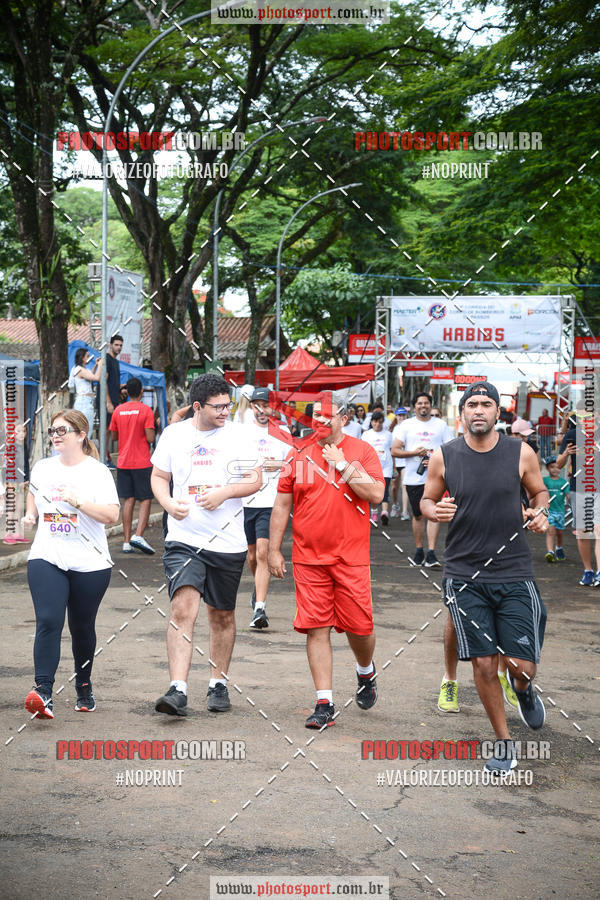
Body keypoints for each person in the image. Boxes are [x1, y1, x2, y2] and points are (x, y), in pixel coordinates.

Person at [421, 381, 550, 774]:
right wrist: (433, 511)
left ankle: (524, 690)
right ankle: (503, 741)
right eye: (472, 404)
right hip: (464, 574)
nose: (479, 410)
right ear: (462, 413)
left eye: (487, 404)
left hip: (514, 572)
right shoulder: (444, 456)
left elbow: (540, 493)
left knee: (520, 667)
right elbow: (427, 498)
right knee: (482, 663)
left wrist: (539, 512)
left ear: (498, 413)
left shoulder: (520, 452)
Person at [268, 392, 385, 729]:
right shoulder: (298, 454)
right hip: (308, 558)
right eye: (314, 416)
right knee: (316, 628)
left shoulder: (362, 451)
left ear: (343, 419)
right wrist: (273, 550)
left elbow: (376, 495)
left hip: (351, 557)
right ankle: (324, 703)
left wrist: (343, 465)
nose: (319, 422)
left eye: (326, 417)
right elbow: (281, 506)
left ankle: (365, 671)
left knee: (360, 628)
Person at [151, 374, 262, 717]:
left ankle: (218, 683)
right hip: (185, 538)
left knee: (222, 616)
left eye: (229, 404)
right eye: (219, 406)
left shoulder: (240, 436)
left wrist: (225, 492)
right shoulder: (174, 434)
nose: (226, 411)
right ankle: (178, 689)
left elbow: (256, 479)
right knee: (183, 608)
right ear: (197, 407)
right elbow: (158, 477)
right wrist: (168, 505)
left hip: (228, 541)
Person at [21, 409, 120, 719]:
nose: (56, 436)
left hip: (90, 562)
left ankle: (84, 686)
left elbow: (112, 516)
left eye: (63, 430)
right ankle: (43, 692)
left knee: (81, 628)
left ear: (81, 435)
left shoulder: (97, 472)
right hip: (47, 555)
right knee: (49, 620)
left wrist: (78, 502)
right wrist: (31, 515)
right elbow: (33, 492)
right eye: (52, 431)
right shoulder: (42, 467)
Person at [243, 387, 290, 629]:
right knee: (252, 556)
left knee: (263, 552)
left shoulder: (283, 432)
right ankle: (257, 589)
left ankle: (259, 609)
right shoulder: (239, 431)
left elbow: (296, 466)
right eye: (257, 405)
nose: (262, 410)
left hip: (271, 503)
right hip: (244, 501)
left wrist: (280, 464)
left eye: (267, 405)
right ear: (252, 407)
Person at [391, 392, 453, 567]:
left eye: (426, 403)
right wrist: (414, 453)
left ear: (430, 405)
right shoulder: (406, 425)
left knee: (434, 515)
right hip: (413, 477)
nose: (423, 406)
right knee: (418, 515)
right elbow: (395, 450)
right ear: (414, 406)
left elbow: (450, 450)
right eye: (420, 403)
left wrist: (433, 457)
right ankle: (419, 550)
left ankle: (431, 553)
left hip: (435, 478)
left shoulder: (440, 425)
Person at [109, 376, 156, 555]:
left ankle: (126, 542)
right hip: (142, 461)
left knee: (127, 500)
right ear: (141, 392)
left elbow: (114, 436)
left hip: (123, 461)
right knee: (145, 499)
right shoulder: (146, 410)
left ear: (126, 392)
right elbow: (150, 438)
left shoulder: (118, 410)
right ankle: (138, 536)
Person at [557, 409, 600, 586]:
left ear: (596, 416)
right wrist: (566, 453)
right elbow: (558, 464)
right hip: (578, 488)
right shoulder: (572, 435)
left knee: (598, 529)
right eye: (581, 418)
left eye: (587, 418)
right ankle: (588, 571)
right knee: (583, 533)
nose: (583, 421)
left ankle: (599, 572)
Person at [361, 410, 394, 525]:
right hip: (372, 467)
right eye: (375, 422)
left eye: (380, 422)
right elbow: (363, 452)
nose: (377, 425)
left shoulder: (388, 435)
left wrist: (394, 468)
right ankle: (374, 511)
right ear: (371, 422)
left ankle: (384, 512)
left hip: (386, 466)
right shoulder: (366, 435)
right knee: (375, 490)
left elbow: (392, 450)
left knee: (385, 489)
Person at [68, 347, 103, 437]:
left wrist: (95, 365)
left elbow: (90, 375)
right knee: (86, 431)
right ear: (82, 357)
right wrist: (100, 365)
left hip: (85, 401)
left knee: (84, 431)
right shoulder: (80, 370)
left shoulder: (81, 369)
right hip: (84, 401)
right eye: (87, 356)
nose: (88, 358)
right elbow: (96, 378)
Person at [101, 334, 124, 467]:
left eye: (120, 345)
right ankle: (103, 457)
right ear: (110, 345)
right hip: (107, 402)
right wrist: (108, 402)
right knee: (106, 430)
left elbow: (112, 382)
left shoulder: (116, 361)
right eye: (116, 345)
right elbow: (103, 381)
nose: (119, 347)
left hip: (115, 400)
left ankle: (107, 456)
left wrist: (123, 388)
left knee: (111, 430)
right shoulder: (107, 359)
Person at [390, 407, 409, 519]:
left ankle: (405, 510)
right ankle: (395, 505)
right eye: (399, 415)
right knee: (394, 487)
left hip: (406, 461)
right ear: (396, 416)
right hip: (394, 462)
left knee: (405, 485)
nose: (401, 417)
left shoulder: (410, 428)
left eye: (403, 415)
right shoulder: (393, 429)